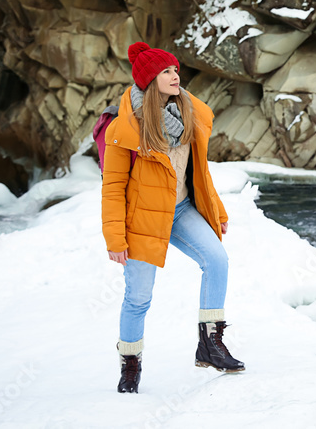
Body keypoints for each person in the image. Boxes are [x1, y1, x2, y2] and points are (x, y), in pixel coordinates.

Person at [102, 41, 244, 394]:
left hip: (180, 210)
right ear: (149, 80)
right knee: (139, 298)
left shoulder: (187, 116)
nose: (175, 75)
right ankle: (130, 364)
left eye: (175, 69)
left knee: (217, 260)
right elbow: (112, 188)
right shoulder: (125, 129)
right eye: (165, 71)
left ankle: (210, 345)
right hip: (143, 219)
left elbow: (198, 172)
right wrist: (115, 239)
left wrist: (216, 210)